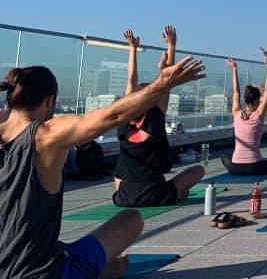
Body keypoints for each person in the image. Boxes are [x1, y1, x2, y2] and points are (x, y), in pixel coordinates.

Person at [0, 53, 205, 278]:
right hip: (41, 273)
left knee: (53, 245)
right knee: (131, 219)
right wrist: (164, 83)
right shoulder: (46, 136)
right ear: (49, 101)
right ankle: (92, 270)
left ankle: (94, 267)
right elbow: (113, 115)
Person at [113, 27, 206, 208]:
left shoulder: (123, 122)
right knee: (198, 170)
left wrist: (132, 49)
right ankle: (180, 194)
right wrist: (171, 47)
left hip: (123, 197)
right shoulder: (155, 119)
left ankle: (175, 193)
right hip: (156, 194)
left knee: (119, 176)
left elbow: (131, 81)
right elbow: (166, 85)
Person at [220, 54, 267, 176]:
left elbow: (236, 92)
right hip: (254, 167)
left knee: (225, 157)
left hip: (235, 168)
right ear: (256, 100)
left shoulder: (236, 113)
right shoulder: (258, 116)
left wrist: (234, 69)